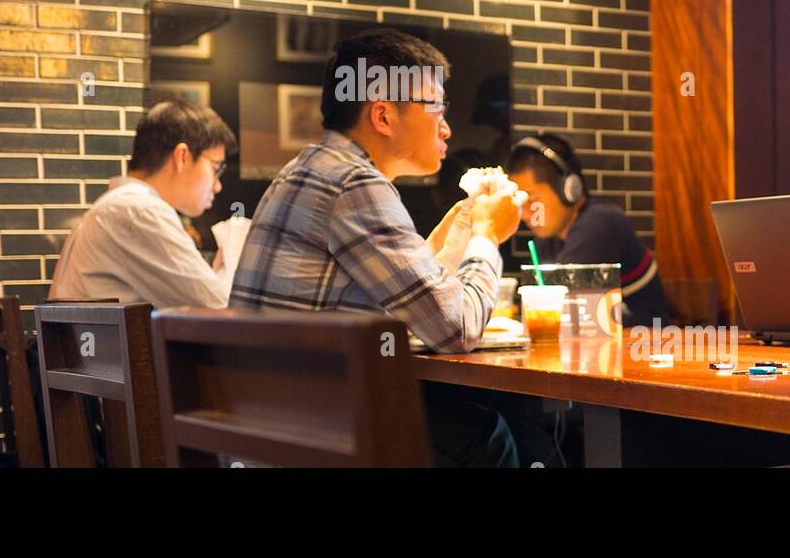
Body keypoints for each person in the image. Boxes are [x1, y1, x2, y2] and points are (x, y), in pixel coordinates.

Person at [231, 28, 523, 467]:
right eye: (436, 109)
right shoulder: (355, 184)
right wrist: (487, 236)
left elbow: (411, 297)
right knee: (486, 437)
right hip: (313, 440)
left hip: (269, 430)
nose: (447, 127)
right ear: (384, 116)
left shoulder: (308, 169)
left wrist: (465, 223)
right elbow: (456, 330)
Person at [49, 98, 237, 309]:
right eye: (216, 167)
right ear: (182, 156)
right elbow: (222, 309)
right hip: (110, 343)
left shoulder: (118, 205)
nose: (217, 186)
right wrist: (231, 262)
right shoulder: (139, 211)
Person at [507, 133, 670, 327]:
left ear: (569, 189)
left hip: (645, 345)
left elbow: (560, 310)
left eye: (532, 200)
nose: (525, 214)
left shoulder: (598, 223)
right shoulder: (548, 239)